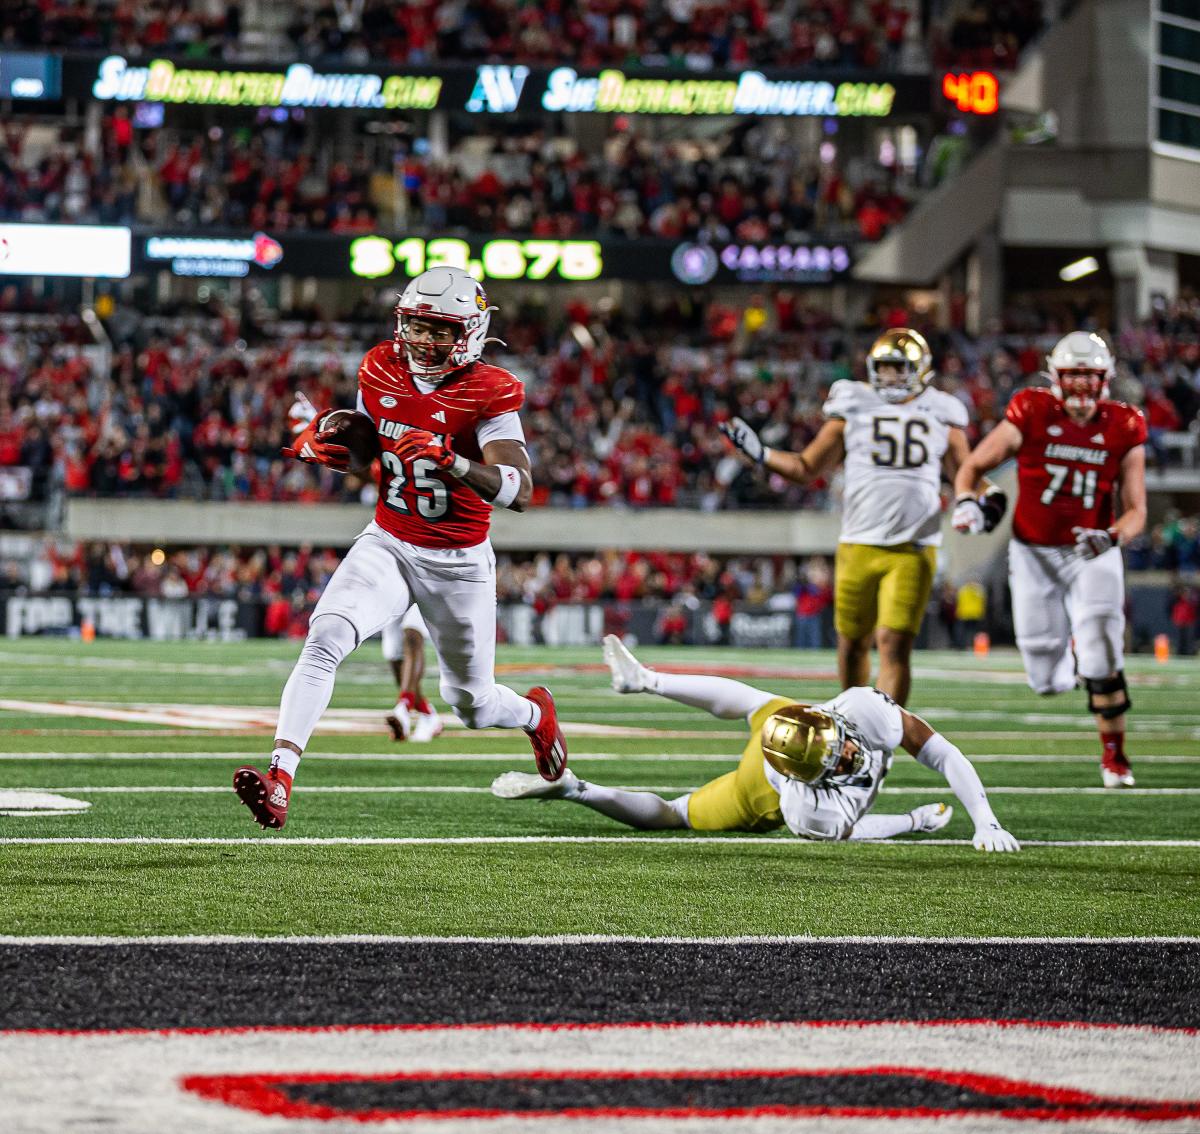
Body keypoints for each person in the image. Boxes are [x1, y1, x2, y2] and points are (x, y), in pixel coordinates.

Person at [234, 266, 567, 830]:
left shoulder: (489, 392)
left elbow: (521, 492)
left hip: (458, 563)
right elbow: (368, 452)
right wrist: (327, 436)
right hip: (388, 540)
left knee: (472, 704)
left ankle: (535, 715)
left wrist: (452, 460)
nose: (424, 341)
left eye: (440, 330)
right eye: (416, 326)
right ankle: (280, 779)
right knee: (325, 637)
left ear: (472, 332)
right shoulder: (380, 368)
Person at [493, 636, 1020, 852]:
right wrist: (913, 821)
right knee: (677, 815)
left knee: (753, 701)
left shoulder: (856, 711)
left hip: (786, 735)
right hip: (757, 789)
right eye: (838, 760)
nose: (852, 753)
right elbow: (857, 828)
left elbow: (944, 752)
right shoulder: (804, 806)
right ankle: (575, 789)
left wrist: (987, 819)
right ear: (811, 778)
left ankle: (647, 681)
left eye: (841, 744)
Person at [721, 329, 1003, 705]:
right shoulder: (853, 404)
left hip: (913, 547)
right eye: (884, 369)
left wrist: (991, 502)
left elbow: (967, 473)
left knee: (894, 643)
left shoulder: (941, 411)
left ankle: (881, 735)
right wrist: (762, 454)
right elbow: (807, 466)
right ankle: (852, 727)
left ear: (921, 370)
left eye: (899, 368)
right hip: (858, 542)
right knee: (852, 644)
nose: (889, 377)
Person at [953, 331, 1147, 788]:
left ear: (1106, 379)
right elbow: (972, 467)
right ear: (1055, 377)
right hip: (1032, 551)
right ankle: (1076, 660)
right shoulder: (1031, 410)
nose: (1081, 387)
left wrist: (1112, 536)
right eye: (1073, 376)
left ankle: (1115, 757)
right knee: (1045, 677)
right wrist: (966, 500)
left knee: (1101, 647)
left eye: (1089, 377)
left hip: (1090, 549)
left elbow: (1137, 508)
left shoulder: (1124, 424)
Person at [382, 603, 442, 742]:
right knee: (394, 655)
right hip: (397, 588)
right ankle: (428, 713)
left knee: (413, 635)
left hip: (427, 585)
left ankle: (403, 707)